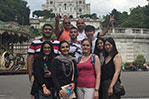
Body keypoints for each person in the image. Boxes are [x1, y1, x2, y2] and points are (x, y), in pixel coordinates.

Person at [27, 24, 59, 98]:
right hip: (37, 74)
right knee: (36, 94)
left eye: (50, 29)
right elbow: (30, 59)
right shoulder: (35, 43)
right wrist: (30, 75)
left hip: (52, 76)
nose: (48, 31)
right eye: (46, 29)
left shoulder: (57, 43)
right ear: (42, 30)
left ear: (52, 31)